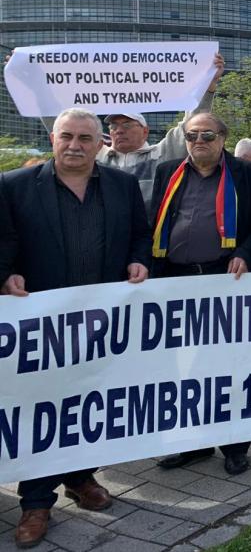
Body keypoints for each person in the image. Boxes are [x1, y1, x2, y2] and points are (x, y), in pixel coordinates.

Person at [0, 108, 151, 549]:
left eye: (85, 138)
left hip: (102, 324)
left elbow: (140, 235)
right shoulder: (14, 185)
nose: (75, 145)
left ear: (100, 143)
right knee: (42, 410)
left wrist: (139, 260)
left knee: (90, 403)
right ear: (53, 138)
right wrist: (5, 275)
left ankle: (81, 478)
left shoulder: (122, 185)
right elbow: (4, 242)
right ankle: (36, 502)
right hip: (41, 327)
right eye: (67, 136)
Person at [148, 113, 251, 476]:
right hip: (176, 280)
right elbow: (154, 221)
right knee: (181, 369)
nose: (199, 141)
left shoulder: (250, 175)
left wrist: (246, 253)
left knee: (228, 366)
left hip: (226, 280)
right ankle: (193, 444)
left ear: (223, 138)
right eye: (192, 135)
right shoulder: (167, 171)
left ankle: (234, 445)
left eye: (207, 135)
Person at [98, 53, 225, 204]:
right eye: (113, 126)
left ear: (145, 131)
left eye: (126, 125)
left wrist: (206, 85)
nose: (119, 130)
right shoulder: (96, 156)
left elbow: (191, 124)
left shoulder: (160, 155)